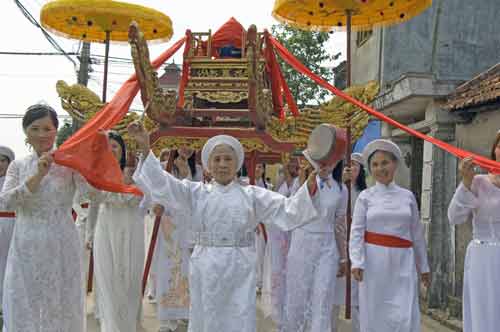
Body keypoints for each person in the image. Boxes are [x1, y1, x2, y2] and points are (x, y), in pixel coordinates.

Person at [127, 121, 319, 332]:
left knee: (240, 317)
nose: (222, 164)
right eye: (217, 159)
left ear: (237, 164)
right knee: (207, 316)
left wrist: (309, 187)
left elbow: (287, 208)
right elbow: (164, 184)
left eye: (228, 159)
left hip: (241, 266)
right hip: (206, 264)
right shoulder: (196, 193)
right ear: (209, 164)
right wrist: (146, 147)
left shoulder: (252, 195)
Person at [0, 104, 93, 331]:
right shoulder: (18, 165)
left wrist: (86, 166)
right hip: (27, 242)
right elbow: (7, 202)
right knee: (26, 300)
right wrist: (37, 175)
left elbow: (89, 195)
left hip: (62, 240)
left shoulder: (69, 164)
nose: (42, 135)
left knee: (61, 300)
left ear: (56, 130)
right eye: (35, 129)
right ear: (26, 132)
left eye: (47, 128)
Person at [349, 139, 430, 332]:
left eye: (385, 163)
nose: (380, 168)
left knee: (403, 312)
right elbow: (356, 232)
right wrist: (357, 261)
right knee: (375, 313)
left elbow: (416, 235)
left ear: (394, 164)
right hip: (374, 264)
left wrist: (424, 266)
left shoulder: (407, 196)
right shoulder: (365, 197)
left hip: (403, 262)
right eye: (375, 165)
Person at [85, 132, 145, 332]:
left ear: (122, 150)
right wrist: (89, 234)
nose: (111, 151)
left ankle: (129, 325)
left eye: (115, 146)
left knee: (129, 277)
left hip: (130, 227)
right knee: (107, 277)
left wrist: (128, 183)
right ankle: (110, 327)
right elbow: (94, 204)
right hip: (106, 226)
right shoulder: (95, 175)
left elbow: (141, 198)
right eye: (107, 147)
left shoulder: (136, 173)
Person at [283, 159, 347, 332]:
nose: (325, 165)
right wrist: (306, 185)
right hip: (302, 242)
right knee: (298, 296)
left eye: (330, 160)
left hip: (327, 247)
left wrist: (343, 257)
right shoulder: (301, 183)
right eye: (321, 160)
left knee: (323, 295)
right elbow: (291, 212)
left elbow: (339, 224)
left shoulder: (341, 188)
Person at [447, 130, 500, 332]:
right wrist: (466, 182)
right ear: (494, 150)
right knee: (484, 311)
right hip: (483, 257)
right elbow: (454, 217)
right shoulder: (479, 182)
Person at [155, 146, 202, 332]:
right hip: (169, 223)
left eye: (192, 144)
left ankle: (186, 314)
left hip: (189, 225)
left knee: (188, 270)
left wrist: (186, 174)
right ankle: (167, 319)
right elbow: (155, 190)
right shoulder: (163, 167)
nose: (187, 148)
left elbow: (197, 198)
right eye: (183, 143)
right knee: (168, 268)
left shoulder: (198, 170)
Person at [261, 159, 299, 326]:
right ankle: (279, 315)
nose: (293, 166)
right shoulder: (280, 180)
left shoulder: (302, 181)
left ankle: (294, 315)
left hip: (296, 233)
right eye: (290, 162)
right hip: (278, 234)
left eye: (296, 163)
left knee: (293, 273)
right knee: (277, 272)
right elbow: (273, 203)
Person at [331, 153, 367, 332]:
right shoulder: (335, 189)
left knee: (356, 299)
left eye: (355, 166)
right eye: (348, 165)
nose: (351, 169)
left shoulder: (365, 194)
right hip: (336, 246)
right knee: (332, 298)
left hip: (358, 249)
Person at [0, 146, 15, 311]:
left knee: (8, 265)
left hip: (11, 225)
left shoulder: (14, 182)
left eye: (3, 160)